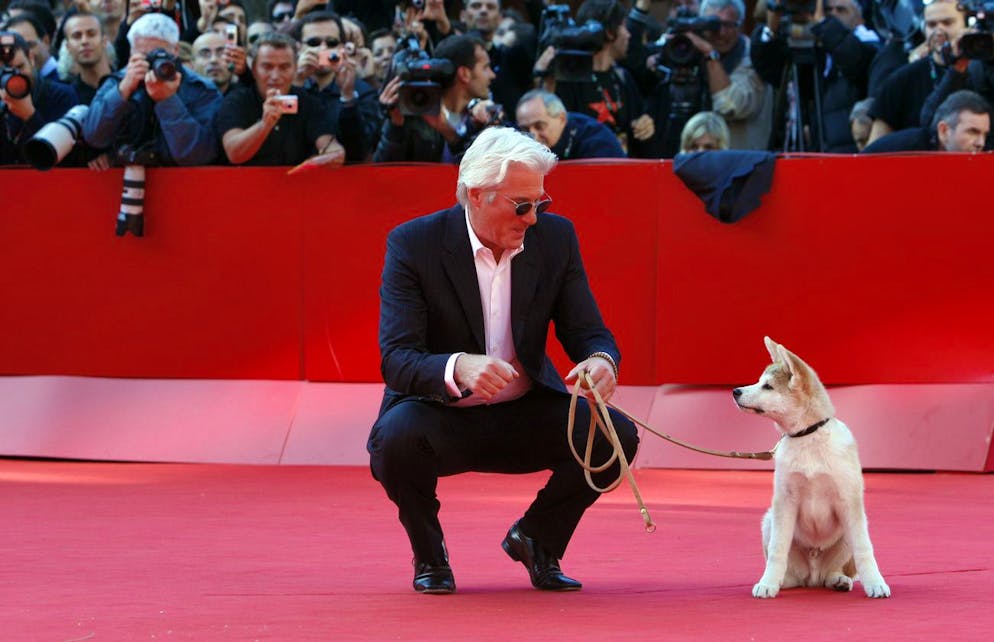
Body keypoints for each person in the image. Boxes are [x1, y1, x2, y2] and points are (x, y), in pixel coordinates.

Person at [368, 125, 639, 595]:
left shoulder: (556, 238)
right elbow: (397, 358)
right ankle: (430, 555)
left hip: (526, 412)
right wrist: (457, 367)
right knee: (394, 440)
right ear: (477, 195)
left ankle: (537, 539)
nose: (533, 217)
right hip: (439, 416)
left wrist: (601, 361)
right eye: (522, 205)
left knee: (616, 437)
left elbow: (588, 330)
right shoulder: (413, 244)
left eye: (541, 203)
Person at [82, 12, 222, 166]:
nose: (152, 62)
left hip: (182, 183)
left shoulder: (201, 89)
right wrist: (123, 91)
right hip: (125, 181)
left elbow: (198, 156)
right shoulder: (118, 81)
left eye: (159, 55)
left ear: (175, 50)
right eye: (143, 55)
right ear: (131, 52)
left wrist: (168, 101)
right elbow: (93, 136)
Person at [751, 0, 881, 152]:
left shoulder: (871, 44)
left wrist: (824, 25)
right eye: (827, 10)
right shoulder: (818, 51)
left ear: (860, 18)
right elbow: (772, 71)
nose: (832, 16)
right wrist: (771, 31)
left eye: (841, 10)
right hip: (819, 152)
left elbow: (854, 61)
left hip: (851, 154)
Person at [538, 0, 655, 156]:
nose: (629, 34)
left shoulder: (623, 77)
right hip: (581, 172)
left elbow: (638, 126)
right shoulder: (567, 79)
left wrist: (645, 126)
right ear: (610, 33)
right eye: (624, 26)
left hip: (622, 170)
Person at [216, 31, 345, 166]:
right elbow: (234, 154)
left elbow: (331, 147)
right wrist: (265, 124)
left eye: (284, 67)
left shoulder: (309, 102)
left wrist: (330, 156)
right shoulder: (236, 100)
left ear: (295, 68)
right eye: (267, 67)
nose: (275, 76)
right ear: (254, 69)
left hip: (295, 183)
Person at [374, 33, 500, 163]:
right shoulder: (413, 114)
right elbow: (381, 174)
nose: (492, 75)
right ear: (464, 74)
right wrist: (395, 126)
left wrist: (449, 132)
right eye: (485, 67)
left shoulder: (482, 116)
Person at [866, 0, 968, 146]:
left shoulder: (983, 71)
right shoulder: (902, 79)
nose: (939, 31)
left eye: (948, 22)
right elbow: (874, 150)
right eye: (931, 25)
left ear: (965, 24)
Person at [294, 10, 379, 162]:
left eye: (331, 43)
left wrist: (348, 97)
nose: (322, 49)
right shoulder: (286, 86)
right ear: (299, 48)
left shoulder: (363, 92)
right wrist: (296, 84)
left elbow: (361, 150)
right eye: (314, 43)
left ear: (342, 47)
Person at [0, 30, 79, 165]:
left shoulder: (62, 95)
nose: (13, 78)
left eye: (19, 67)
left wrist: (30, 116)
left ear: (31, 58)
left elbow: (68, 160)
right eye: (3, 72)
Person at [861, 89, 990, 153]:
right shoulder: (907, 149)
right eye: (973, 132)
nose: (981, 143)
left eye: (985, 134)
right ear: (944, 131)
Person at [515, 89, 626, 159]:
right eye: (525, 129)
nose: (533, 136)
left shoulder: (597, 142)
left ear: (562, 118)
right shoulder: (516, 142)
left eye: (539, 126)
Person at [60, 10, 115, 105]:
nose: (84, 41)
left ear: (104, 41)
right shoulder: (67, 99)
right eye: (77, 36)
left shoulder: (126, 83)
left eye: (91, 34)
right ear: (68, 47)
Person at [191, 30, 235, 94]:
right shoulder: (181, 100)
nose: (213, 60)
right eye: (205, 54)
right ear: (192, 63)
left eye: (221, 53)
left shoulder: (249, 98)